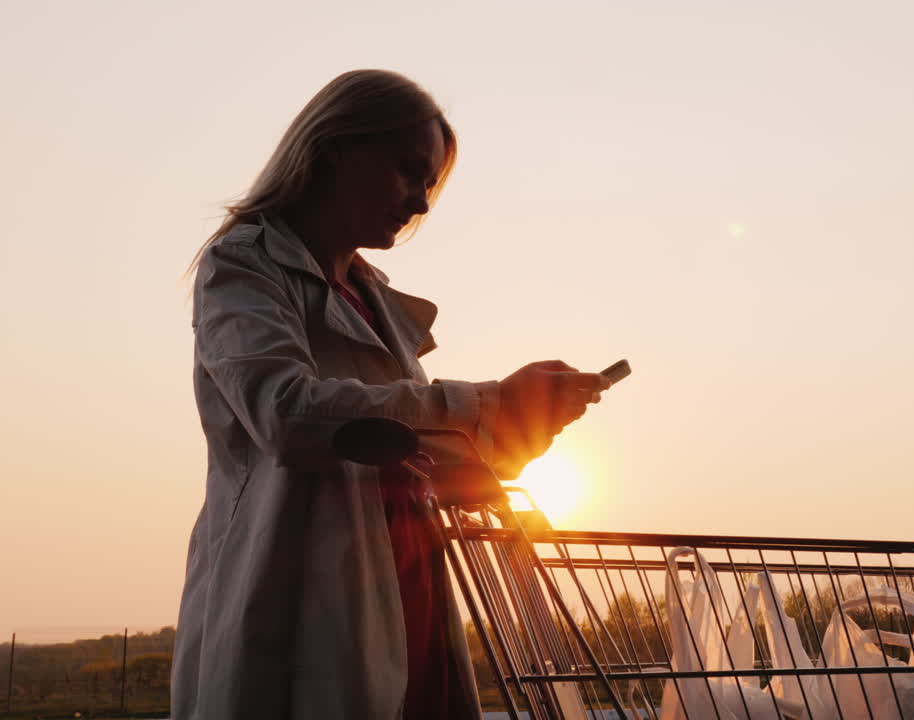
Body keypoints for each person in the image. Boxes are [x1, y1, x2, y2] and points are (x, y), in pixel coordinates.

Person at [171, 69, 610, 720]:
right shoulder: (242, 266)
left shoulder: (374, 298)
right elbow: (288, 414)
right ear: (337, 148)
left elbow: (418, 456)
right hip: (300, 601)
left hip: (409, 600)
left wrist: (525, 422)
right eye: (409, 172)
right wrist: (486, 405)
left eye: (429, 183)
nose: (422, 203)